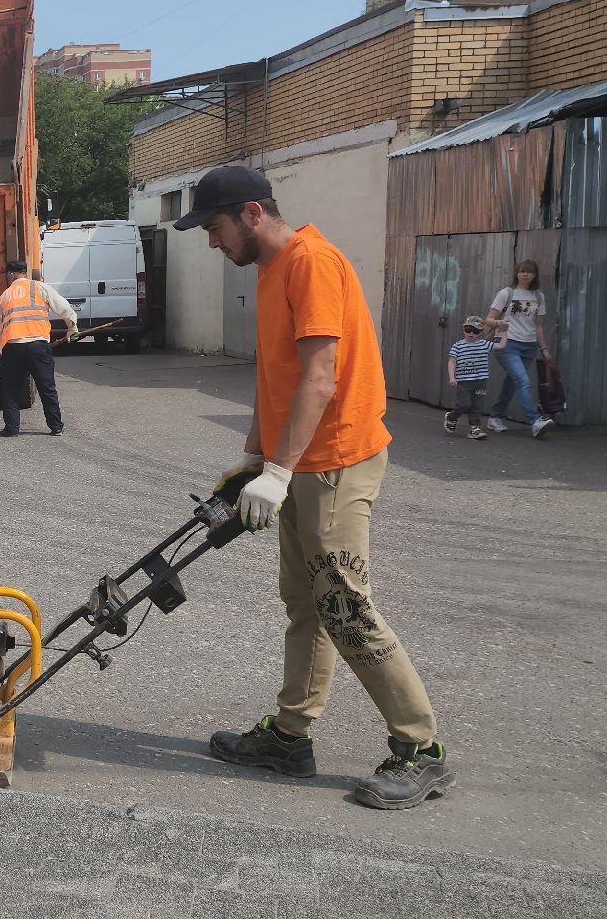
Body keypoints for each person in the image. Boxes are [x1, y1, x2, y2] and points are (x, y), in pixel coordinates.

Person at [174, 164, 451, 811]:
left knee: (344, 603)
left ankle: (422, 748)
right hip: (298, 463)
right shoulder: (271, 270)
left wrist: (278, 472)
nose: (211, 242)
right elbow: (276, 378)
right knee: (305, 601)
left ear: (251, 213)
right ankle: (290, 736)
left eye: (214, 227)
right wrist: (253, 459)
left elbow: (321, 379)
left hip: (334, 460)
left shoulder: (311, 263)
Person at [0, 259, 79, 437]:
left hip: (13, 347)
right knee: (47, 387)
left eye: (8, 274)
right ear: (24, 273)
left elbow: (2, 327)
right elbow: (63, 307)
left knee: (10, 390)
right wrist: (72, 327)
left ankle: (11, 428)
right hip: (38, 346)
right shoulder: (39, 288)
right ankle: (56, 426)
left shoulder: (4, 296)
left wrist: (3, 351)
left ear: (11, 274)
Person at [483, 260, 556, 438]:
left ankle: (495, 417)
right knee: (523, 380)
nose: (525, 274)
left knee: (512, 382)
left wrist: (544, 349)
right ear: (516, 274)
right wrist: (499, 323)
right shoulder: (506, 293)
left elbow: (538, 325)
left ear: (535, 275)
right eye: (522, 271)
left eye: (529, 272)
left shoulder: (538, 296)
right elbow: (488, 319)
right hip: (507, 344)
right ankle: (535, 421)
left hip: (529, 346)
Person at [445, 316, 491, 441]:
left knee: (477, 405)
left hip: (481, 380)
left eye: (475, 331)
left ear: (480, 332)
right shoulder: (458, 346)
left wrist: (503, 329)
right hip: (464, 380)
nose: (471, 333)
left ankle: (474, 428)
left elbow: (501, 345)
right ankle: (452, 417)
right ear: (464, 330)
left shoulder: (484, 344)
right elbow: (452, 361)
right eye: (468, 329)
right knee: (464, 404)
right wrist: (452, 377)